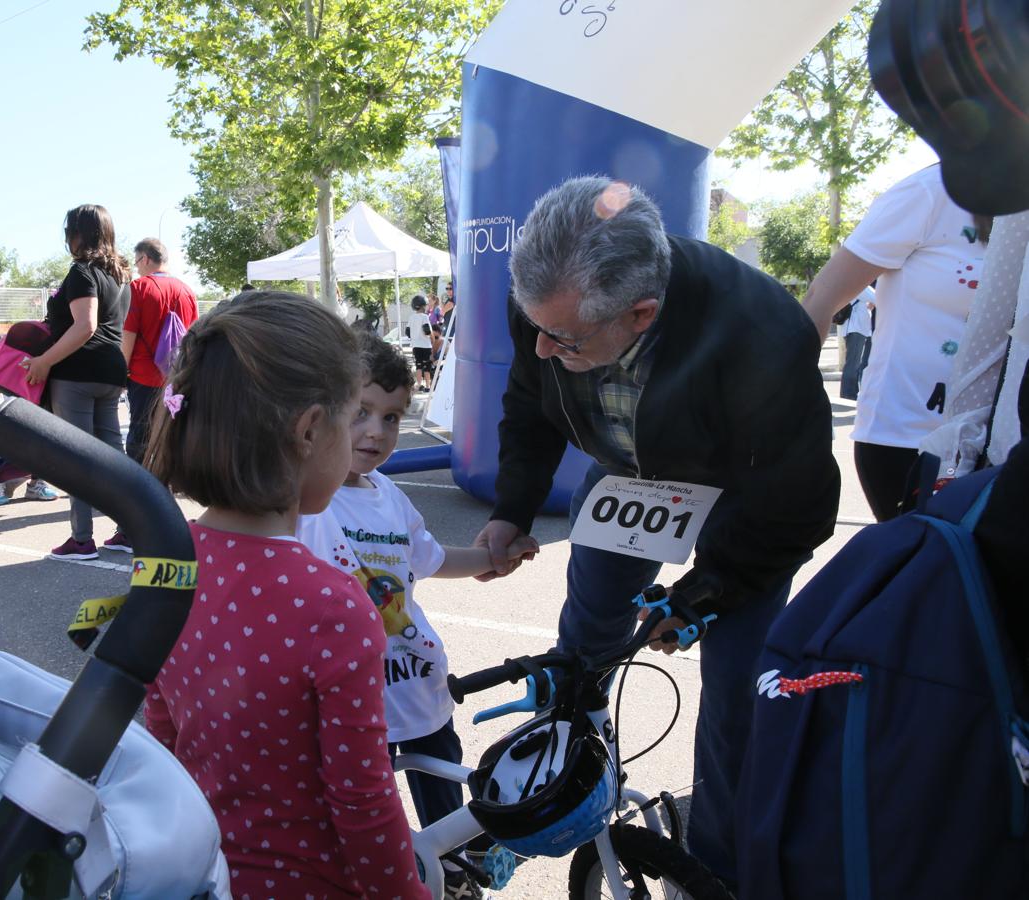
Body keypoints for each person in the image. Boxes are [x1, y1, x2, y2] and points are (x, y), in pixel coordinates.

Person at [473, 176, 839, 890]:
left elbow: (796, 507)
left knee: (738, 685)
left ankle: (714, 865)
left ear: (642, 313)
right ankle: (561, 806)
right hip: (629, 480)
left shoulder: (762, 329)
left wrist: (703, 594)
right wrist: (509, 511)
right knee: (580, 655)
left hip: (746, 494)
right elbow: (529, 403)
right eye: (535, 326)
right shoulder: (549, 308)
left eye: (565, 338)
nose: (542, 346)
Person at [143, 292, 429, 900]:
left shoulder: (165, 565)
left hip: (204, 871)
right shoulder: (333, 606)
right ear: (308, 431)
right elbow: (363, 799)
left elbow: (163, 733)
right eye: (353, 414)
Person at [296, 331, 537, 899]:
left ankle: (454, 879)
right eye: (359, 412)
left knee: (446, 819)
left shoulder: (390, 496)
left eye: (392, 417)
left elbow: (427, 558)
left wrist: (492, 561)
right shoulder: (302, 498)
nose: (376, 431)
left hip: (419, 686)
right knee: (363, 820)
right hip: (351, 702)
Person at [802, 164, 991, 520]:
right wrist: (785, 409)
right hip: (913, 440)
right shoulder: (930, 191)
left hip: (1007, 439)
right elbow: (821, 298)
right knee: (938, 571)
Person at [21, 204, 130, 560]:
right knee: (113, 457)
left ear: (78, 234)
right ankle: (131, 528)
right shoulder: (121, 275)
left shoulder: (82, 272)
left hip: (77, 373)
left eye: (69, 232)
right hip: (111, 372)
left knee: (77, 459)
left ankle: (81, 540)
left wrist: (43, 362)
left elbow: (85, 326)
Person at [122, 238, 198, 467]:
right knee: (173, 430)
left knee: (141, 432)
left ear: (145, 258)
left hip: (143, 375)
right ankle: (169, 481)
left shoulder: (139, 287)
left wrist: (121, 369)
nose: (137, 268)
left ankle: (139, 487)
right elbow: (194, 335)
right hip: (177, 375)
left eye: (137, 262)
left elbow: (128, 334)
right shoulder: (187, 290)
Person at [0, 332, 58, 506]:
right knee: (42, 451)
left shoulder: (15, 384)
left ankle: (35, 485)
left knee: (49, 448)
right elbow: (6, 421)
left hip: (3, 449)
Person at [837, 283, 875, 401]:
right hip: (856, 328)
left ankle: (850, 393)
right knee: (853, 363)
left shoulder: (851, 283)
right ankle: (848, 394)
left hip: (855, 328)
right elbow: (878, 298)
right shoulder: (861, 285)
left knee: (853, 363)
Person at [408, 294, 433, 391]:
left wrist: (415, 337)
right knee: (427, 366)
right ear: (423, 306)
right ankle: (428, 386)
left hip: (416, 345)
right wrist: (430, 338)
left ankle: (419, 385)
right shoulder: (425, 317)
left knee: (418, 365)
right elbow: (427, 331)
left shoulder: (411, 317)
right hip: (426, 345)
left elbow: (407, 332)